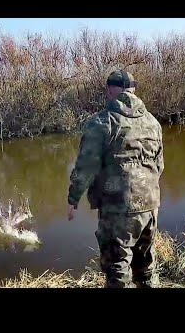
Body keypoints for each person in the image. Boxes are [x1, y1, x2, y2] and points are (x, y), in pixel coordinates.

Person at [66, 69, 164, 288]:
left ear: (111, 90)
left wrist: (73, 199)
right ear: (133, 91)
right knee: (146, 265)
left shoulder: (102, 122)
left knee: (117, 266)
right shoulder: (153, 123)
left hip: (118, 207)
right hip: (150, 205)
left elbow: (85, 167)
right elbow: (159, 166)